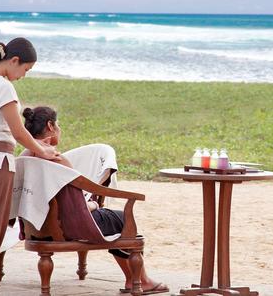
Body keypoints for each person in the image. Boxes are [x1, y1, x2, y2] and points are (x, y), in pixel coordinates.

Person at [21, 106, 169, 295]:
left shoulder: (24, 156)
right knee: (122, 219)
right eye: (58, 124)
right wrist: (92, 204)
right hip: (65, 228)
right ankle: (139, 280)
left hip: (37, 228)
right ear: (50, 126)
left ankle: (136, 278)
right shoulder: (57, 160)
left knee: (112, 218)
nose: (60, 128)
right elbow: (74, 209)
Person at [0, 38, 60, 296]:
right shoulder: (3, 87)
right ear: (14, 61)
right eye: (25, 70)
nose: (23, 76)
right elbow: (17, 132)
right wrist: (43, 150)